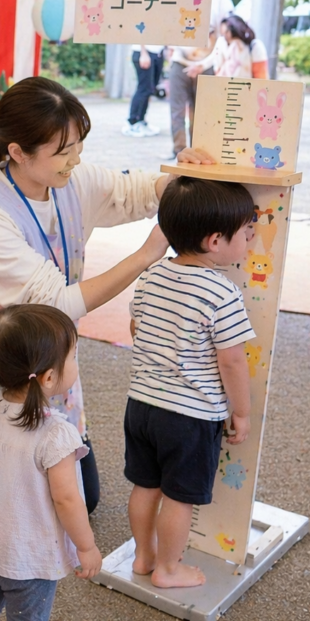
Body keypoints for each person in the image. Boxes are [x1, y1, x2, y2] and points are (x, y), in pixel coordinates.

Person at [0, 76, 212, 500]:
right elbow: (59, 303)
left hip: (49, 351)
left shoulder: (67, 182)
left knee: (83, 499)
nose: (75, 160)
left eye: (79, 145)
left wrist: (179, 178)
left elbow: (131, 190)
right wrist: (143, 255)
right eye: (63, 151)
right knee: (23, 501)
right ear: (17, 153)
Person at [126, 177, 254, 589]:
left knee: (145, 486)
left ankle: (144, 555)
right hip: (191, 416)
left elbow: (135, 325)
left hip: (141, 405)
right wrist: (242, 411)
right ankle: (168, 569)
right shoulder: (223, 293)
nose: (251, 240)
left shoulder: (152, 276)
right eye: (246, 233)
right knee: (179, 497)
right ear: (216, 241)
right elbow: (232, 361)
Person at [0, 305, 101, 621]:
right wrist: (86, 546)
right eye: (74, 356)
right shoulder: (56, 434)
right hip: (27, 555)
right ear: (49, 377)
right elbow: (67, 499)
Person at [166, 0, 234, 159]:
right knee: (176, 110)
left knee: (203, 113)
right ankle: (178, 152)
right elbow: (172, 33)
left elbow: (224, 40)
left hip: (207, 65)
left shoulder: (222, 3)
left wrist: (203, 65)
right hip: (180, 62)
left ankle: (198, 153)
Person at [122, 44, 163, 138]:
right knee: (144, 88)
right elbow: (140, 31)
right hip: (143, 52)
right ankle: (132, 121)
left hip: (157, 52)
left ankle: (141, 120)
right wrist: (143, 52)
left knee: (150, 89)